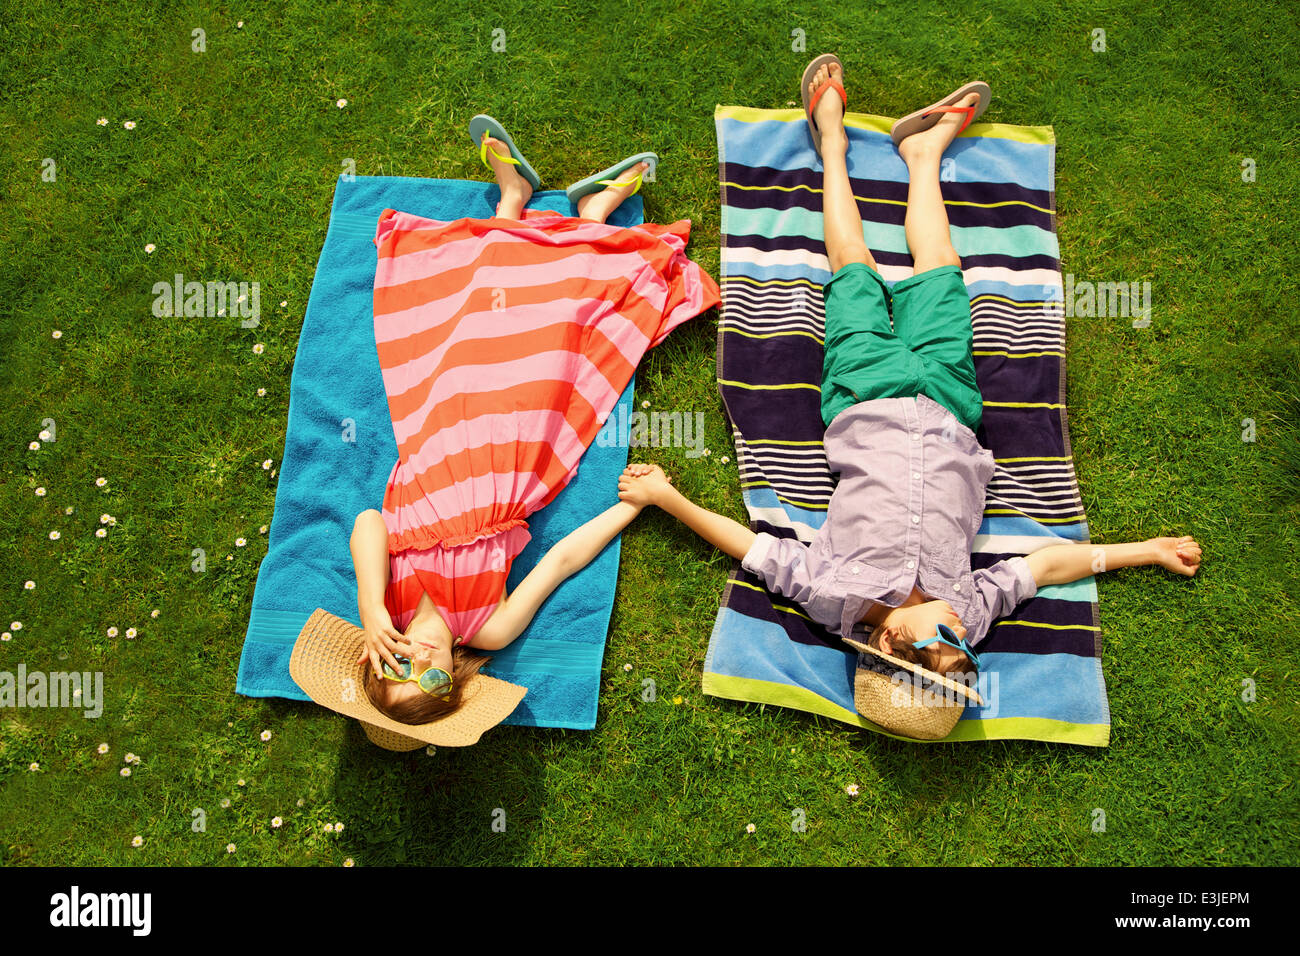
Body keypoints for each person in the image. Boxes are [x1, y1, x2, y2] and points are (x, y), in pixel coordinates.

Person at [615, 56, 1202, 736]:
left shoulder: (831, 597)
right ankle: (921, 157)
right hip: (951, 403)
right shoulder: (971, 612)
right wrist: (1145, 551)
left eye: (945, 648)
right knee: (943, 273)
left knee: (854, 269)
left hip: (864, 394)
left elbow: (748, 549)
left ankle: (830, 142)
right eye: (968, 658)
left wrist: (666, 497)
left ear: (890, 644)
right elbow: (1043, 566)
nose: (963, 639)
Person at [351, 115, 719, 729]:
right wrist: (634, 506)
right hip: (519, 455)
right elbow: (558, 562)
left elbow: (368, 522)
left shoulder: (384, 603)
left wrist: (368, 609)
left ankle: (514, 202)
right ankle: (594, 218)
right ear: (458, 681)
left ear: (375, 662)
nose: (417, 660)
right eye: (433, 679)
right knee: (557, 344)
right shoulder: (487, 630)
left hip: (439, 431)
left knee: (472, 324)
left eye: (396, 671)